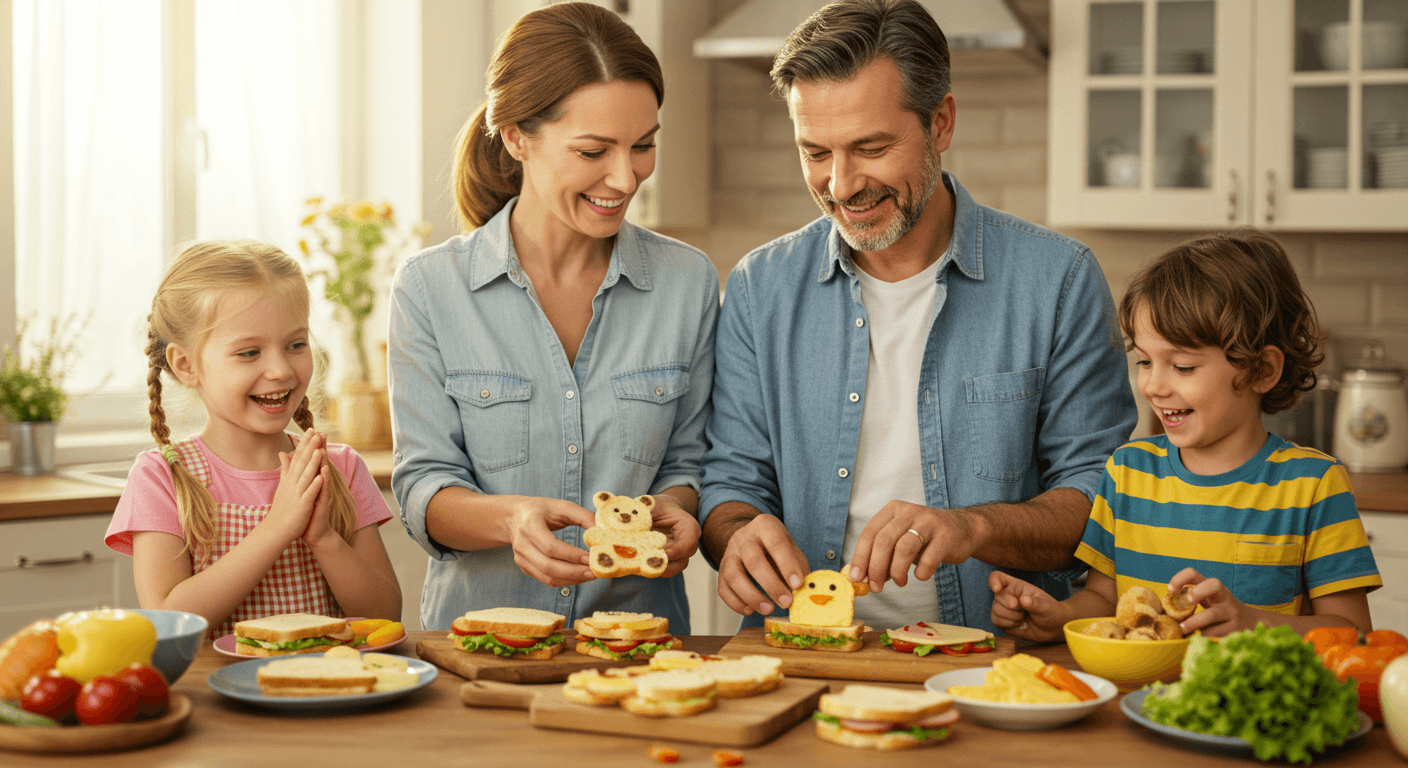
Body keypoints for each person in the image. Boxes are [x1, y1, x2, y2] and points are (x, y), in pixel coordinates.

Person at [699, 0, 1138, 634]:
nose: (843, 184)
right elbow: (730, 479)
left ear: (941, 123)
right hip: (802, 660)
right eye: (815, 152)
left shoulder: (1058, 281)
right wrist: (736, 533)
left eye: (871, 147)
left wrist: (972, 526)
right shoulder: (758, 287)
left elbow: (1101, 500)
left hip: (995, 665)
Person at [388, 2, 717, 632]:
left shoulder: (687, 282)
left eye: (643, 146)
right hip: (482, 649)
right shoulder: (430, 289)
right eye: (594, 151)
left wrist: (678, 510)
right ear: (516, 136)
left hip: (640, 651)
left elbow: (687, 463)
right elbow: (424, 487)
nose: (626, 177)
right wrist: (511, 521)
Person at [991, 229, 1380, 639]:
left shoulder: (1314, 486)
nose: (1154, 386)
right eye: (1144, 361)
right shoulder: (1128, 472)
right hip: (1135, 700)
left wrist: (1252, 624)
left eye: (1182, 367)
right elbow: (1106, 602)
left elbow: (1355, 633)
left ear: (1262, 370)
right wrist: (1057, 616)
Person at [105, 240, 402, 640]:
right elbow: (169, 621)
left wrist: (323, 538)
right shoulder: (164, 478)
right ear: (186, 365)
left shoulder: (339, 467)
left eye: (296, 345)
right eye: (249, 353)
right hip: (216, 699)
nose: (280, 370)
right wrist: (277, 527)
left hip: (328, 693)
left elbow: (385, 616)